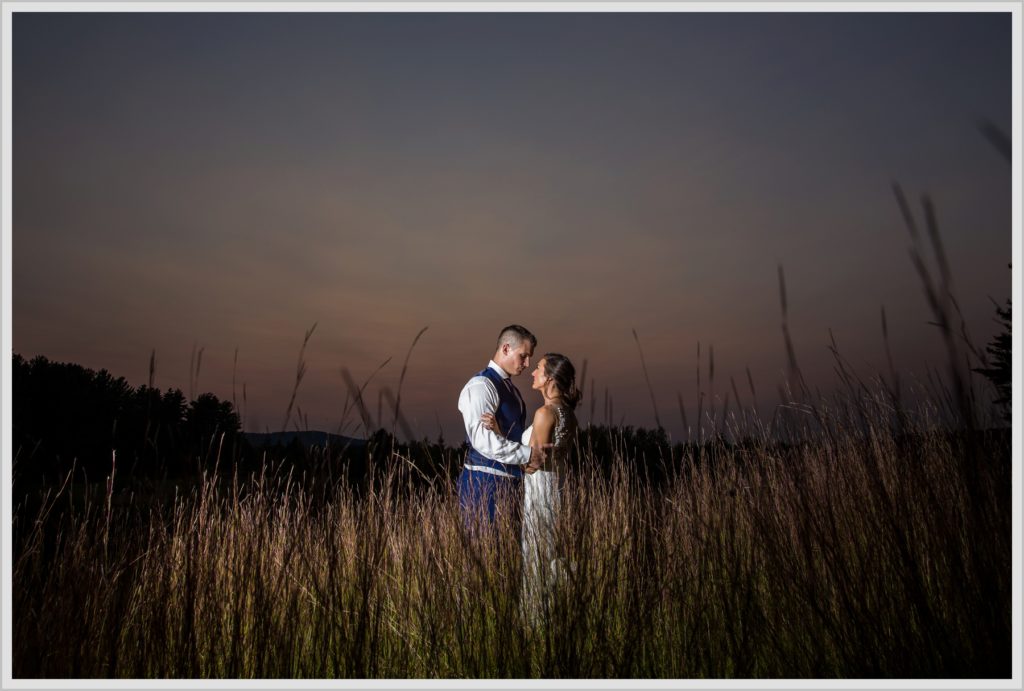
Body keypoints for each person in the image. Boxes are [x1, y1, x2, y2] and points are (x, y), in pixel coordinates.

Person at [481, 352, 581, 606]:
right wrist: (501, 433)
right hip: (559, 491)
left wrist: (499, 440)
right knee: (552, 558)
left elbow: (533, 463)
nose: (533, 372)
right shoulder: (567, 413)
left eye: (538, 368)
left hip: (540, 497)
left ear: (549, 378)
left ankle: (538, 623)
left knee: (537, 562)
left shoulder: (545, 413)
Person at [457, 325, 548, 531]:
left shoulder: (511, 388)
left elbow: (513, 434)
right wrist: (528, 455)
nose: (527, 363)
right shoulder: (481, 385)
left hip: (511, 485)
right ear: (506, 349)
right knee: (486, 555)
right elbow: (482, 441)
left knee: (508, 557)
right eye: (523, 356)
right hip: (484, 486)